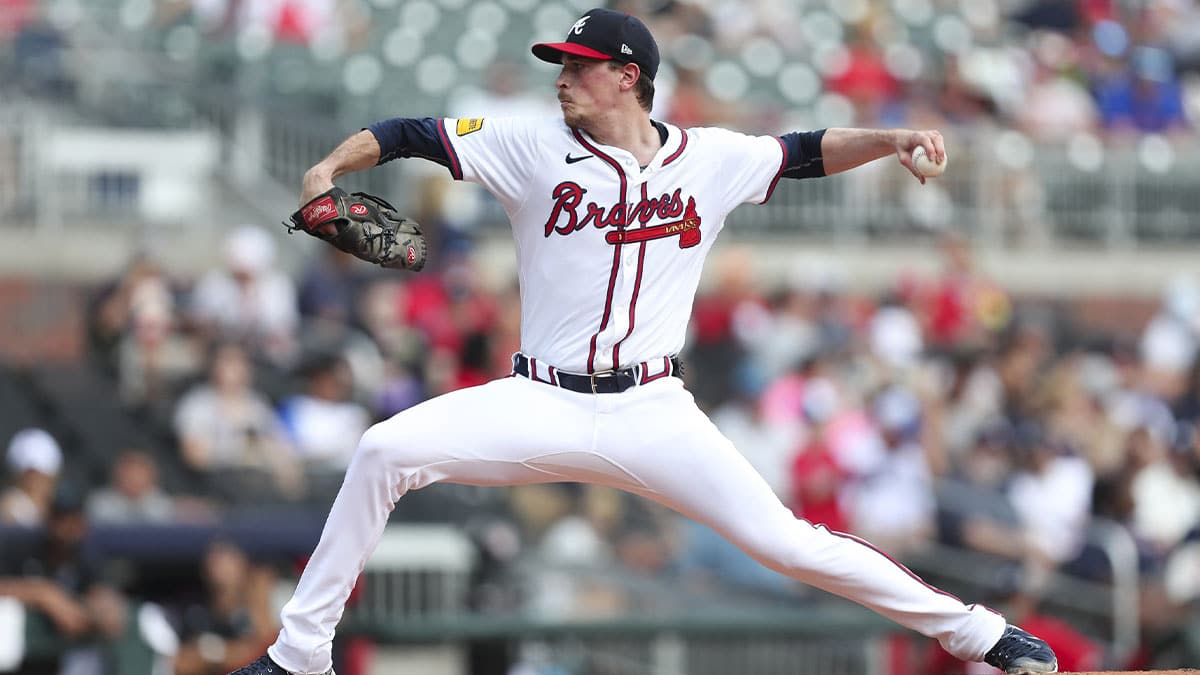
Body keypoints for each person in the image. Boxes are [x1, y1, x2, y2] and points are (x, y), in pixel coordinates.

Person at [228, 8, 1058, 675]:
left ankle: (981, 635)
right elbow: (409, 131)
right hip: (540, 397)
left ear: (628, 77)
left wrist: (890, 138)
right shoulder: (527, 145)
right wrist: (328, 170)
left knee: (787, 542)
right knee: (381, 450)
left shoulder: (712, 158)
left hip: (653, 409)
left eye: (579, 65)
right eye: (560, 64)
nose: (563, 77)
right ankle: (301, 654)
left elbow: (802, 152)